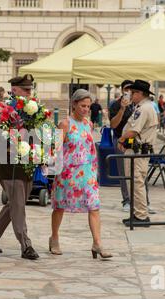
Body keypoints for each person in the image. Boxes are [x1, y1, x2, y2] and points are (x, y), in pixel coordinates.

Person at [0, 74, 40, 260]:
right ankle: (26, 244)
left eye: (30, 90)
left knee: (16, 204)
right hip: (9, 164)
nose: (30, 93)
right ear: (15, 90)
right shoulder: (3, 109)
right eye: (26, 90)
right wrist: (8, 146)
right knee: (18, 205)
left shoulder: (33, 109)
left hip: (27, 164)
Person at [50, 89, 112, 259]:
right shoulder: (64, 124)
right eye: (83, 106)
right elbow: (55, 147)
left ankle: (97, 243)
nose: (86, 109)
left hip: (88, 174)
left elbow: (88, 148)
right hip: (67, 174)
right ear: (74, 104)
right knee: (60, 207)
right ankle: (54, 238)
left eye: (88, 106)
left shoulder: (89, 124)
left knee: (94, 206)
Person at [118, 80, 158, 227]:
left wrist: (121, 140)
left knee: (136, 183)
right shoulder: (144, 107)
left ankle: (141, 216)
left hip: (138, 151)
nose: (131, 95)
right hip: (137, 150)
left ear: (140, 93)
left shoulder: (144, 108)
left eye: (133, 92)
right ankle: (137, 213)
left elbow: (134, 130)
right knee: (135, 183)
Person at [109, 80, 135, 212]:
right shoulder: (115, 105)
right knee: (123, 172)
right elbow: (113, 125)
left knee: (139, 171)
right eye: (127, 89)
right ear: (122, 90)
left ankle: (143, 200)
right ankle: (126, 200)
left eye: (132, 89)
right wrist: (122, 108)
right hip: (120, 140)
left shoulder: (137, 105)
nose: (129, 92)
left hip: (134, 141)